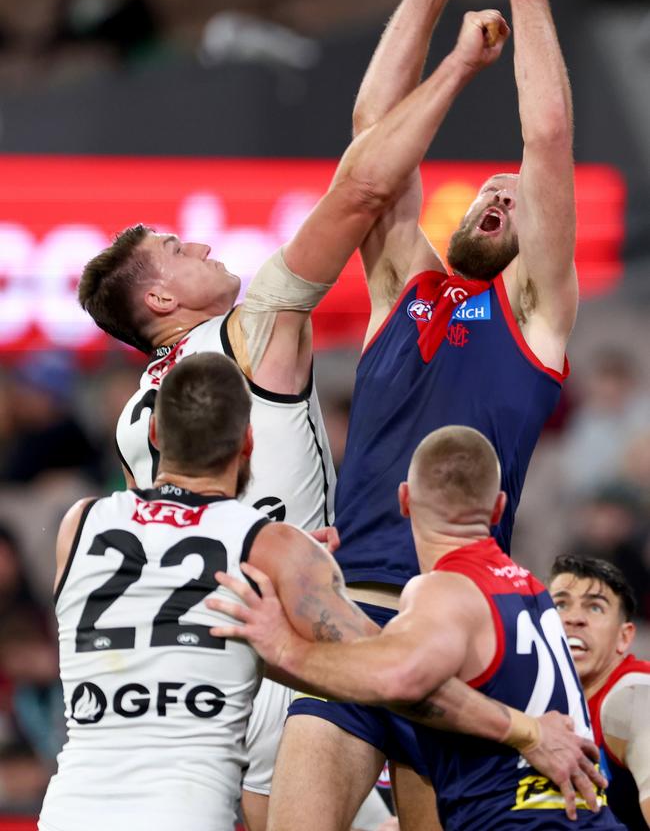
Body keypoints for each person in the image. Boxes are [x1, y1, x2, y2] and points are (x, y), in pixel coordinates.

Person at [77, 0, 510, 828]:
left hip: (203, 673)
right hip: (305, 643)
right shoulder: (247, 332)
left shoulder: (135, 414)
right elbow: (364, 186)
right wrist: (459, 62)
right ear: (162, 297)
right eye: (178, 247)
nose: (200, 243)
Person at [281, 0, 578, 828]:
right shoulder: (405, 286)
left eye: (514, 198)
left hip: (459, 625)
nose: (500, 197)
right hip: (353, 606)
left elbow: (546, 137)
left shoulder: (537, 316)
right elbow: (374, 138)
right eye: (485, 192)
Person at [41, 356, 601, 831]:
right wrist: (525, 728)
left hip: (68, 807)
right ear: (248, 441)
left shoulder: (79, 522)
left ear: (157, 437)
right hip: (185, 810)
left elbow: (161, 611)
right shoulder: (271, 548)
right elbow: (396, 682)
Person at [209, 425, 621, 830]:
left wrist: (286, 649)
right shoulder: (534, 593)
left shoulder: (443, 590)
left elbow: (400, 680)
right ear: (498, 508)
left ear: (404, 500)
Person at [550, 554, 650, 829]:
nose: (574, 618)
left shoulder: (633, 696)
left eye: (595, 608)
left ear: (624, 637)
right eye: (560, 604)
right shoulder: (530, 703)